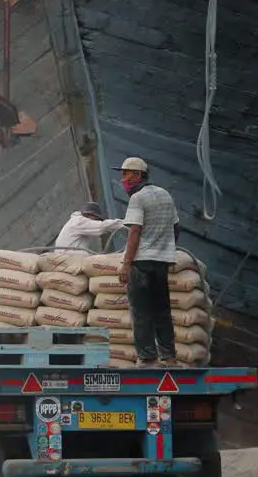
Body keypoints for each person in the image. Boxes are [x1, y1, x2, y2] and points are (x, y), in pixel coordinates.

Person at [116, 157, 181, 367]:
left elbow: (135, 231)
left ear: (137, 175)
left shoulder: (138, 198)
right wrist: (167, 249)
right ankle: (169, 355)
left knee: (141, 311)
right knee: (162, 310)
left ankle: (147, 356)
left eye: (126, 174)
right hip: (161, 262)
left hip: (141, 262)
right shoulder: (166, 195)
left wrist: (126, 264)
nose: (122, 178)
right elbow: (176, 228)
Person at [54, 201, 125, 253]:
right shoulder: (79, 221)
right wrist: (124, 222)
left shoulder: (74, 221)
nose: (96, 221)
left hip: (67, 256)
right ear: (89, 214)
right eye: (96, 218)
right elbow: (101, 227)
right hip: (69, 257)